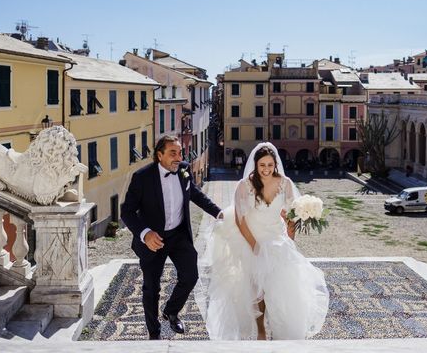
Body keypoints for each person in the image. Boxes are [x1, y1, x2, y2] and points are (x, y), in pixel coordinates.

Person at [195, 142, 329, 340]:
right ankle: (260, 329)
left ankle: (280, 330)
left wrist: (291, 234)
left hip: (276, 240)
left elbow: (290, 214)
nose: (266, 170)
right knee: (255, 290)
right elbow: (241, 220)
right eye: (262, 165)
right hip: (251, 239)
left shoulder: (286, 183)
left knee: (279, 288)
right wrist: (254, 246)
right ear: (255, 166)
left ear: (275, 164)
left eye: (270, 165)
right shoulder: (244, 185)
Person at [121, 135, 222, 340]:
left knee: (190, 275)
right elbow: (127, 212)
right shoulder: (142, 177)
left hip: (178, 235)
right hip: (153, 240)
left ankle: (171, 311)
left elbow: (195, 194)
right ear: (160, 155)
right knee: (152, 287)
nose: (179, 157)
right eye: (172, 153)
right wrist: (145, 234)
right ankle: (154, 333)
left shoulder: (184, 170)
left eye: (180, 152)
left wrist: (219, 213)